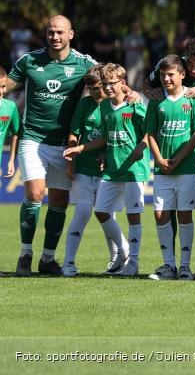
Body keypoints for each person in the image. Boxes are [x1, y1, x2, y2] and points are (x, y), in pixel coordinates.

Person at [6, 15, 98, 276]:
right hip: (32, 138)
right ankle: (25, 254)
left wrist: (130, 93)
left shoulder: (84, 63)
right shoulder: (29, 60)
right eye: (50, 32)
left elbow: (109, 78)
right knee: (35, 193)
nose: (54, 37)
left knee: (59, 200)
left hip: (65, 143)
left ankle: (48, 259)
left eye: (60, 32)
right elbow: (6, 86)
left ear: (71, 34)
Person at [143, 37, 195, 277]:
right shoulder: (170, 65)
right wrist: (155, 93)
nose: (192, 70)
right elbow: (146, 85)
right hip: (170, 150)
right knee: (166, 207)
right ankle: (170, 263)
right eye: (189, 63)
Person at [64, 63, 150, 277]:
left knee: (133, 216)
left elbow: (151, 129)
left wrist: (143, 146)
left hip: (133, 170)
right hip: (111, 169)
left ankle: (133, 263)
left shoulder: (135, 104)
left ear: (122, 83)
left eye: (112, 83)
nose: (108, 87)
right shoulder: (104, 107)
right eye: (105, 84)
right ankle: (124, 251)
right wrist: (81, 148)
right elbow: (106, 137)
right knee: (101, 211)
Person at [145, 55, 195, 281]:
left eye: (171, 74)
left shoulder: (193, 99)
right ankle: (168, 266)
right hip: (163, 169)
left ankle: (184, 267)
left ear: (182, 75)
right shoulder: (155, 100)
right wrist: (160, 160)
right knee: (160, 214)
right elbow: (151, 133)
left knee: (184, 216)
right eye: (162, 75)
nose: (166, 79)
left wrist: (179, 158)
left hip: (188, 169)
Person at [61, 66, 122, 276]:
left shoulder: (114, 105)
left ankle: (117, 259)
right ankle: (68, 263)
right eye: (91, 89)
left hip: (108, 171)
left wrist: (106, 153)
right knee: (83, 212)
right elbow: (74, 133)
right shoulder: (85, 105)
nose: (96, 92)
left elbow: (115, 136)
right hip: (84, 169)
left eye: (98, 87)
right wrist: (70, 158)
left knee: (107, 214)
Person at [0, 66, 20, 276]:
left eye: (4, 87)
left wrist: (12, 159)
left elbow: (16, 132)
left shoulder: (9, 107)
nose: (2, 91)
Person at [122, 21, 146, 87]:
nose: (136, 29)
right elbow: (124, 47)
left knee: (139, 82)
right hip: (130, 63)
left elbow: (143, 47)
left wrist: (132, 47)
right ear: (132, 28)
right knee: (130, 82)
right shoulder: (127, 37)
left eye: (137, 27)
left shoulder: (141, 37)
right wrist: (136, 47)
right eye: (135, 27)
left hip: (139, 63)